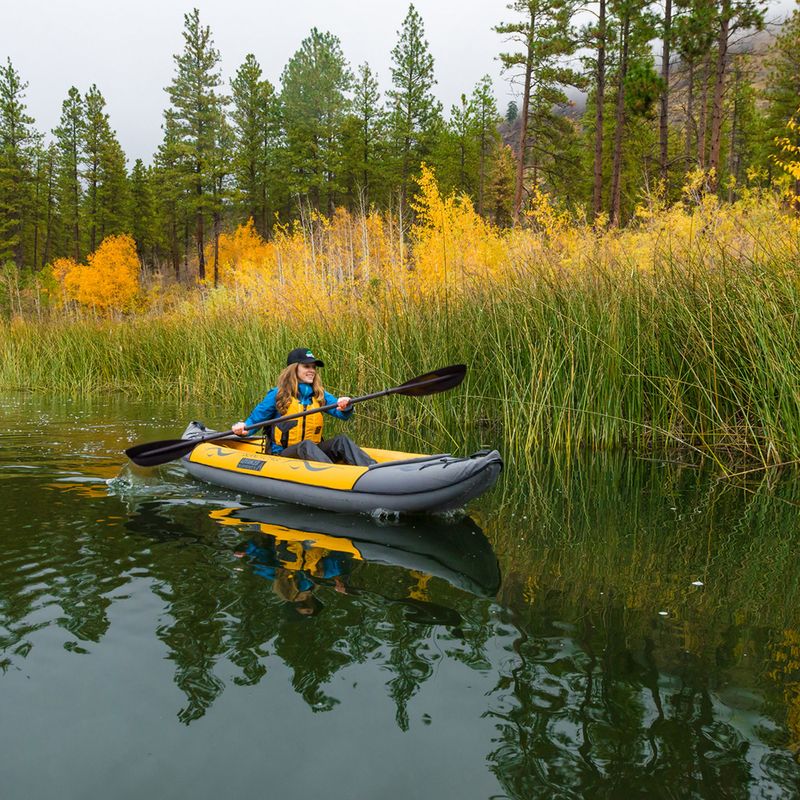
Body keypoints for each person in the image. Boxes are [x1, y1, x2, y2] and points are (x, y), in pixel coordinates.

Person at [231, 347, 376, 467]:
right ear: (294, 369)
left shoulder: (319, 394)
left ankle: (372, 469)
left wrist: (346, 406)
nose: (312, 370)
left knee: (341, 441)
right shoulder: (278, 394)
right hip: (284, 454)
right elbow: (256, 420)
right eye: (306, 366)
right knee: (305, 445)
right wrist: (243, 428)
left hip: (314, 451)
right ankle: (332, 474)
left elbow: (342, 414)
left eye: (313, 367)